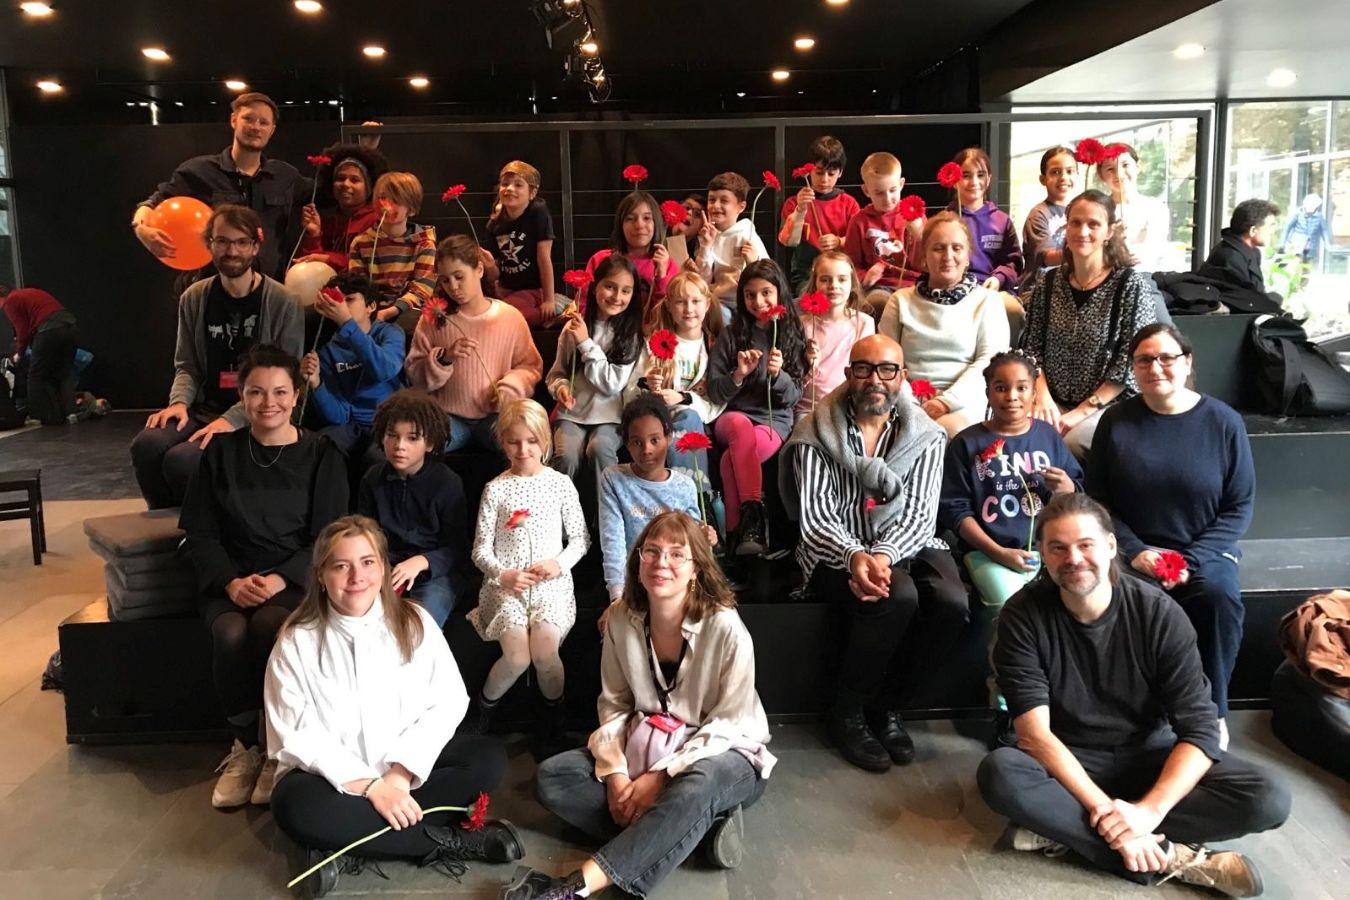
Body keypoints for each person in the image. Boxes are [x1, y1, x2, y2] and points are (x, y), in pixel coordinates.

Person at [977, 494, 1289, 897]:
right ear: (1043, 554)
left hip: (1150, 755)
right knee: (1001, 774)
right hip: (1071, 761)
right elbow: (1035, 737)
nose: (1074, 558)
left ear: (1110, 546)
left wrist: (1148, 812)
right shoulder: (1022, 616)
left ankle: (1065, 831)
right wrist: (1110, 817)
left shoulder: (1159, 613)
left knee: (1268, 797)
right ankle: (1175, 858)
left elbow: (1200, 730)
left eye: (1085, 544)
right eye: (1058, 548)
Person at [518, 512, 775, 899]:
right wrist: (616, 774)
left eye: (676, 554)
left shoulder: (726, 627)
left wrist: (661, 778)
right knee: (554, 778)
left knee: (697, 785)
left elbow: (728, 724)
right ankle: (696, 832)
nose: (661, 563)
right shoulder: (621, 619)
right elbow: (614, 705)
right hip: (647, 745)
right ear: (638, 562)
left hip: (722, 753)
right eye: (651, 551)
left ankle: (575, 887)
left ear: (696, 568)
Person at [267, 516, 521, 894]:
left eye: (368, 562)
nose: (357, 576)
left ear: (384, 569)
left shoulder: (415, 620)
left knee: (488, 759)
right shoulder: (295, 639)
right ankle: (450, 841)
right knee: (292, 804)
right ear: (320, 575)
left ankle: (343, 841)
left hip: (404, 770)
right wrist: (371, 787)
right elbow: (295, 733)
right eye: (341, 566)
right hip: (335, 782)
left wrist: (399, 776)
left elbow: (448, 700)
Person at [780, 334, 969, 772]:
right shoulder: (815, 432)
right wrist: (854, 556)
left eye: (887, 369)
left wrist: (881, 555)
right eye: (864, 369)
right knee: (897, 595)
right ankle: (847, 711)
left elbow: (920, 514)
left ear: (903, 376)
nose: (875, 380)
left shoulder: (927, 436)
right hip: (833, 548)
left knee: (952, 602)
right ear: (849, 374)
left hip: (904, 541)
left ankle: (888, 706)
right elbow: (816, 517)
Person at [178, 344, 348, 809]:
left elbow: (329, 536)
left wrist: (280, 579)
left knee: (271, 626)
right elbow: (200, 531)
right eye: (256, 392)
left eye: (279, 392)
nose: (268, 402)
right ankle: (244, 747)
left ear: (296, 396)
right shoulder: (220, 452)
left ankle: (278, 748)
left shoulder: (322, 454)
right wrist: (230, 581)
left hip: (296, 577)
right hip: (229, 577)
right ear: (242, 396)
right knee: (231, 630)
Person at [1086, 323, 1254, 747]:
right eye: (1144, 360)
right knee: (1114, 597)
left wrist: (1189, 561)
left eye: (1166, 358)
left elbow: (1239, 507)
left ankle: (1211, 712)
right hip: (1133, 551)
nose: (1155, 367)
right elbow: (1098, 500)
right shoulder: (1115, 421)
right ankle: (1128, 715)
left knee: (1217, 597)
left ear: (1187, 362)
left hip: (1204, 552)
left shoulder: (1224, 422)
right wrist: (1136, 551)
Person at [938, 350, 1082, 746]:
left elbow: (1076, 495)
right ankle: (1008, 707)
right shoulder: (968, 443)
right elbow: (955, 512)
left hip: (1046, 553)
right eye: (1001, 388)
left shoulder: (1048, 437)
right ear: (988, 392)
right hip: (990, 553)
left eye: (1021, 388)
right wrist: (998, 553)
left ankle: (1060, 704)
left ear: (1035, 392)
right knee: (1010, 610)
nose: (1012, 397)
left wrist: (1066, 488)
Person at [130, 205, 303, 509]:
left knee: (183, 460)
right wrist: (178, 403)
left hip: (258, 411)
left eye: (241, 242)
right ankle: (165, 524)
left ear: (255, 246)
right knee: (147, 445)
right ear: (209, 244)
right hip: (203, 408)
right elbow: (187, 366)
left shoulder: (283, 302)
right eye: (222, 241)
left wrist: (231, 419)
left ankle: (201, 526)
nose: (232, 251)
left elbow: (285, 379)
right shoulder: (194, 298)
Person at [468, 400, 588, 748]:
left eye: (531, 441)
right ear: (503, 443)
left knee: (545, 652)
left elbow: (580, 538)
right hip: (507, 587)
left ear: (545, 440)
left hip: (551, 586)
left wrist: (559, 564)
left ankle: (554, 720)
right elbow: (480, 550)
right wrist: (503, 574)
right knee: (518, 656)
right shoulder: (496, 489)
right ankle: (483, 710)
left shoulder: (560, 484)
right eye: (514, 442)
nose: (523, 450)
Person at [1018, 190, 1157, 460]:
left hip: (1109, 404)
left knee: (1071, 442)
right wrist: (1042, 397)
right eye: (1076, 222)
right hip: (1051, 399)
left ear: (1109, 232)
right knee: (1017, 435)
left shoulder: (1130, 285)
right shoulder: (1048, 283)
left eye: (1093, 224)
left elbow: (1130, 363)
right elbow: (1031, 349)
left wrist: (1081, 412)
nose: (1082, 231)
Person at [133, 92, 303, 280]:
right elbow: (152, 204)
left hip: (268, 288)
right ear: (234, 120)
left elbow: (326, 196)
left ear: (272, 130)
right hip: (211, 288)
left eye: (263, 122)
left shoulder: (285, 176)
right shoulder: (197, 171)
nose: (255, 127)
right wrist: (142, 230)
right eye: (248, 119)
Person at [405, 235, 543, 453]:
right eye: (445, 280)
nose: (453, 287)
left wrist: (511, 387)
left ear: (479, 269)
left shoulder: (510, 317)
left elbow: (530, 367)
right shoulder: (435, 318)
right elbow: (414, 373)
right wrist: (443, 359)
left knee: (522, 446)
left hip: (496, 416)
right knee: (419, 446)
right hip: (448, 416)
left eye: (459, 277)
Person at [705, 260, 807, 555]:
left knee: (730, 461)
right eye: (750, 295)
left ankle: (735, 536)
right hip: (734, 416)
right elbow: (715, 391)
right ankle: (754, 519)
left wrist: (778, 376)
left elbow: (793, 397)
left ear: (779, 294)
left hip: (773, 421)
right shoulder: (731, 335)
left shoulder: (792, 334)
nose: (759, 302)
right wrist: (738, 375)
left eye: (766, 293)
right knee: (739, 427)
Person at [879, 212, 1010, 438]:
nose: (948, 256)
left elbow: (989, 362)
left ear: (968, 256)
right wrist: (911, 403)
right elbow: (886, 362)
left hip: (965, 400)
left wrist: (945, 402)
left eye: (957, 248)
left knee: (947, 430)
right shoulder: (900, 301)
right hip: (906, 399)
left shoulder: (988, 301)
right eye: (938, 248)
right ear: (924, 257)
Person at [357, 390, 468, 629]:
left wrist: (422, 561)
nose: (400, 446)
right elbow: (366, 535)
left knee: (419, 625)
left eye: (412, 438)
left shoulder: (448, 483)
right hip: (386, 566)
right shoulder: (372, 478)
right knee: (361, 616)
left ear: (429, 443)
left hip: (434, 573)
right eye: (392, 436)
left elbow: (457, 548)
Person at [546, 254, 644, 507]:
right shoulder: (573, 328)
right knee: (566, 456)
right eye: (610, 286)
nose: (617, 296)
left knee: (600, 449)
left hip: (610, 416)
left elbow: (612, 384)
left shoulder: (630, 335)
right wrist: (561, 389)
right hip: (572, 414)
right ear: (595, 286)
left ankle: (608, 518)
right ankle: (556, 517)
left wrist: (586, 344)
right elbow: (556, 374)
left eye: (626, 290)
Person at [598, 396, 707, 604]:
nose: (647, 449)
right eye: (637, 442)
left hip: (674, 584)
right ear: (627, 444)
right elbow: (613, 541)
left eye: (655, 440)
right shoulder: (614, 479)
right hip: (634, 586)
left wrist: (704, 537)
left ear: (669, 437)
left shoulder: (685, 486)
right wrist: (617, 598)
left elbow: (690, 546)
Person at [299, 272, 405, 467]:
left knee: (379, 457)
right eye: (338, 300)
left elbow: (385, 369)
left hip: (391, 422)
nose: (342, 305)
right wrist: (316, 384)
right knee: (320, 446)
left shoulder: (389, 333)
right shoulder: (328, 350)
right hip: (352, 426)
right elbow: (339, 415)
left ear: (370, 306)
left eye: (349, 299)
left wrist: (347, 323)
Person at [628, 270, 724, 481]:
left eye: (695, 301)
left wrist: (683, 398)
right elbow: (631, 390)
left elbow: (719, 398)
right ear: (669, 306)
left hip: (698, 418)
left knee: (688, 416)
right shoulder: (654, 343)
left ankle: (695, 491)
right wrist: (649, 386)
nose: (689, 309)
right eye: (680, 302)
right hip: (658, 417)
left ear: (707, 304)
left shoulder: (715, 347)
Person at [347, 172, 437, 334]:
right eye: (382, 197)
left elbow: (422, 289)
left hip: (405, 311)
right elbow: (357, 284)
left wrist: (390, 311)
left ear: (411, 209)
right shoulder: (361, 243)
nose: (386, 204)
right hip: (370, 309)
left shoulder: (424, 244)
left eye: (396, 200)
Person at [796, 250, 874, 419]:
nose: (833, 285)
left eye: (842, 279)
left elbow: (865, 371)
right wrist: (809, 366)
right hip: (809, 408)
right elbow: (794, 380)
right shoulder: (802, 325)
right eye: (825, 280)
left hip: (847, 407)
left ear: (852, 284)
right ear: (815, 284)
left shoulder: (864, 323)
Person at [778, 135, 861, 295]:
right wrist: (800, 210)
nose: (824, 179)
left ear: (840, 173)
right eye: (819, 172)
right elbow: (788, 241)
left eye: (831, 174)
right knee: (812, 297)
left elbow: (859, 242)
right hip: (808, 276)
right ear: (809, 170)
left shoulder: (848, 203)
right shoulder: (794, 203)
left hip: (842, 275)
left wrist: (838, 241)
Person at [844, 151, 923, 314]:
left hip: (912, 284)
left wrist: (919, 235)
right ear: (866, 190)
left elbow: (925, 262)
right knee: (878, 303)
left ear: (901, 184)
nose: (887, 198)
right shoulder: (859, 222)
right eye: (879, 193)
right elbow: (851, 264)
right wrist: (865, 276)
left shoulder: (915, 216)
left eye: (893, 190)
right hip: (879, 286)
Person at [485, 160, 562, 327]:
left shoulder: (538, 213)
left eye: (518, 185)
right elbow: (495, 274)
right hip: (508, 290)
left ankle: (557, 311)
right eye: (505, 184)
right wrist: (490, 266)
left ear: (532, 193)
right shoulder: (494, 224)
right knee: (497, 313)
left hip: (533, 289)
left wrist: (548, 300)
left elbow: (544, 258)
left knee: (506, 317)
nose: (510, 188)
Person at [575, 190, 675, 319]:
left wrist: (661, 275)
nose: (639, 225)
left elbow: (670, 311)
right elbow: (583, 303)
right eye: (630, 219)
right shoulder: (601, 259)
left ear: (657, 223)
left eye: (647, 218)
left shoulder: (666, 264)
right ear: (620, 224)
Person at [294, 142, 390, 270]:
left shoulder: (378, 221)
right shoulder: (327, 222)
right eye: (340, 178)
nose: (346, 184)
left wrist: (329, 259)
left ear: (369, 187)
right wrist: (314, 234)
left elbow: (373, 263)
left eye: (354, 180)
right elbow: (310, 266)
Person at [946, 147, 1024, 292]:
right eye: (966, 175)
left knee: (1013, 306)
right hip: (954, 291)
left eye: (980, 175)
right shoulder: (945, 221)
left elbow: (1014, 263)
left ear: (988, 179)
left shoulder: (1002, 221)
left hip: (992, 291)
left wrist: (998, 278)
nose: (974, 182)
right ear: (955, 180)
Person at [0, 284, 80, 425]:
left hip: (48, 330)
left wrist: (19, 353)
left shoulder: (10, 302)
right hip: (70, 327)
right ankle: (71, 413)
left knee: (35, 375)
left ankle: (38, 416)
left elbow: (22, 331)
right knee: (64, 373)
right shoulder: (25, 293)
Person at [695, 172, 768, 321]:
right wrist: (705, 247)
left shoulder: (747, 235)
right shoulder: (708, 234)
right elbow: (704, 280)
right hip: (714, 301)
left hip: (741, 305)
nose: (716, 206)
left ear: (741, 207)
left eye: (724, 201)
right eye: (712, 200)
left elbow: (767, 277)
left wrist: (753, 262)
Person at [1095, 143, 1176, 272]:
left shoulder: (1156, 208)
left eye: (1125, 165)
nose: (1119, 174)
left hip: (1147, 274)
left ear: (1137, 167)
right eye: (1110, 169)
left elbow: (1154, 250)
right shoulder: (1098, 210)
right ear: (1101, 175)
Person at [1020, 146, 1077, 288]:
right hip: (1039, 290)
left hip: (1067, 287)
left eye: (1069, 171)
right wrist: (1082, 252)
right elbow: (1048, 258)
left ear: (1077, 174)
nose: (1063, 177)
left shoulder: (1080, 211)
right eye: (1055, 172)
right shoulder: (1038, 215)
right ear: (1043, 179)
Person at [1199, 199, 1280, 297]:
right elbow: (1243, 299)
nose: (1273, 231)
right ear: (1253, 230)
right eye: (1271, 226)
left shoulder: (1250, 252)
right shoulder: (1231, 257)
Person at [1279, 193, 1332, 266]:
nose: (1311, 207)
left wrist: (1327, 244)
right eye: (1309, 204)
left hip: (1311, 248)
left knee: (1307, 268)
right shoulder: (1298, 214)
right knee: (1295, 266)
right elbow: (1287, 228)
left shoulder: (1319, 217)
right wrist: (1282, 243)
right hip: (1296, 246)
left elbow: (1324, 231)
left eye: (1314, 205)